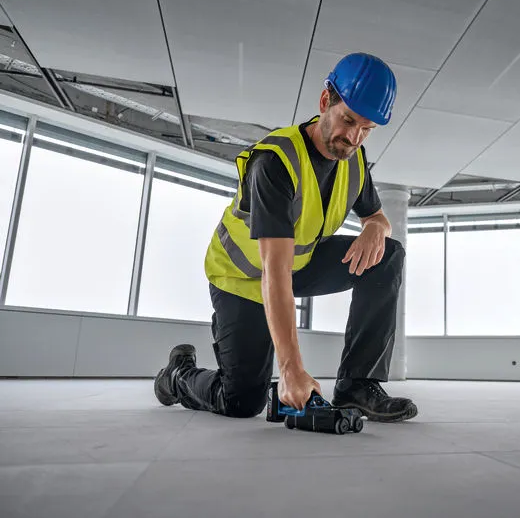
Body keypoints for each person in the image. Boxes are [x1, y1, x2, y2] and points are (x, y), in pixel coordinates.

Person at [153, 53, 417, 422]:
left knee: (388, 254)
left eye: (367, 128)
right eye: (348, 121)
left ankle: (358, 385)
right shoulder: (276, 163)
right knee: (242, 401)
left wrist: (376, 227)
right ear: (326, 102)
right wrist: (291, 369)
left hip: (300, 265)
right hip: (242, 277)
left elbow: (377, 216)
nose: (354, 137)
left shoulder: (353, 159)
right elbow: (273, 273)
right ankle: (179, 375)